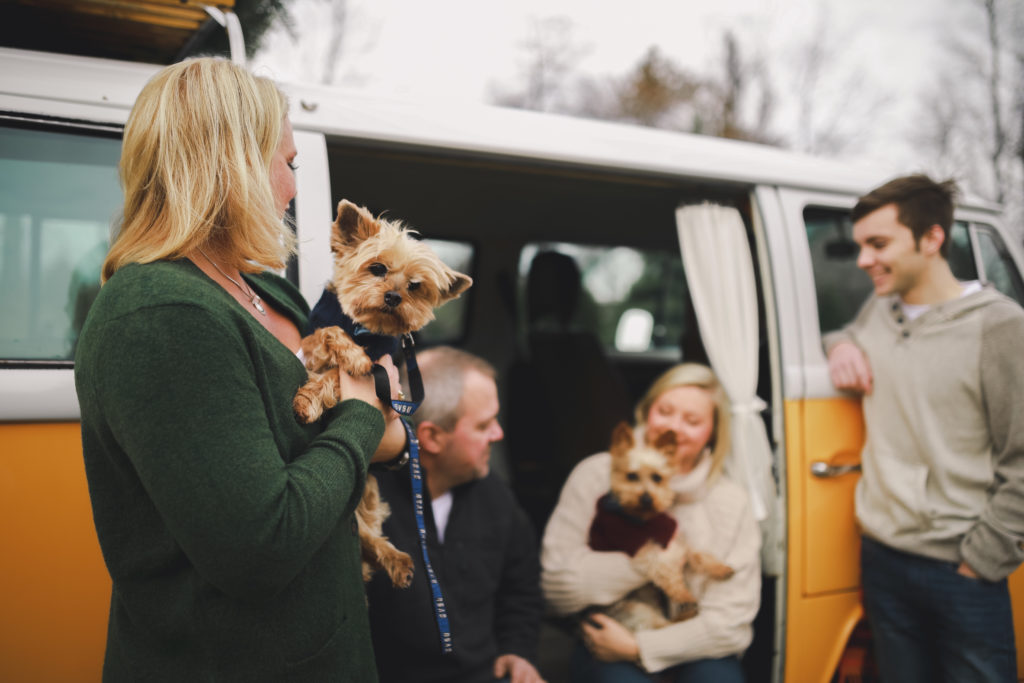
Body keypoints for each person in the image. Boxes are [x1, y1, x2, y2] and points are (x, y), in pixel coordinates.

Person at [74, 57, 406, 682]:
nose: (292, 189)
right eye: (288, 164)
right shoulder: (161, 315)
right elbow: (262, 545)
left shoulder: (261, 289)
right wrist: (364, 416)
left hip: (321, 651)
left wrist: (384, 428)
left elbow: (328, 437)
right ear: (233, 165)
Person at [825, 174, 1024, 683]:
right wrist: (841, 347)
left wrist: (983, 559)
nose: (863, 260)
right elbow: (846, 332)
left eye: (878, 244)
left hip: (962, 567)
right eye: (860, 246)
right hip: (883, 559)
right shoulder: (881, 310)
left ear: (932, 239)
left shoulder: (1000, 326)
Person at [541, 363, 761, 683]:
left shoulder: (731, 501)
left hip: (696, 644)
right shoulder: (594, 475)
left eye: (693, 420)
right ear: (646, 412)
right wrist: (654, 560)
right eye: (665, 411)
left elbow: (731, 623)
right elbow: (555, 589)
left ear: (713, 431)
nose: (674, 427)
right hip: (611, 634)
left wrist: (639, 647)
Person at [364, 346, 546, 683]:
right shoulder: (368, 509)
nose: (498, 434)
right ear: (432, 437)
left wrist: (518, 652)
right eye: (484, 425)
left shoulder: (495, 495)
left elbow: (520, 589)